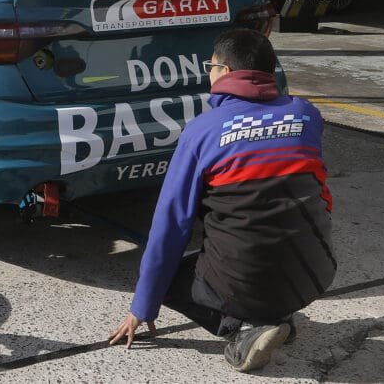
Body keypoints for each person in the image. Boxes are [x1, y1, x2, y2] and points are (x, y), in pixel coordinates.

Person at [108, 28, 335, 373]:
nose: (209, 73)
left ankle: (245, 330)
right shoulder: (306, 114)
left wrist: (143, 306)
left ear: (226, 73)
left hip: (248, 280)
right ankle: (279, 312)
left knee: (166, 279)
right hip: (317, 271)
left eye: (210, 66)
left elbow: (171, 225)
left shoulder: (203, 130)